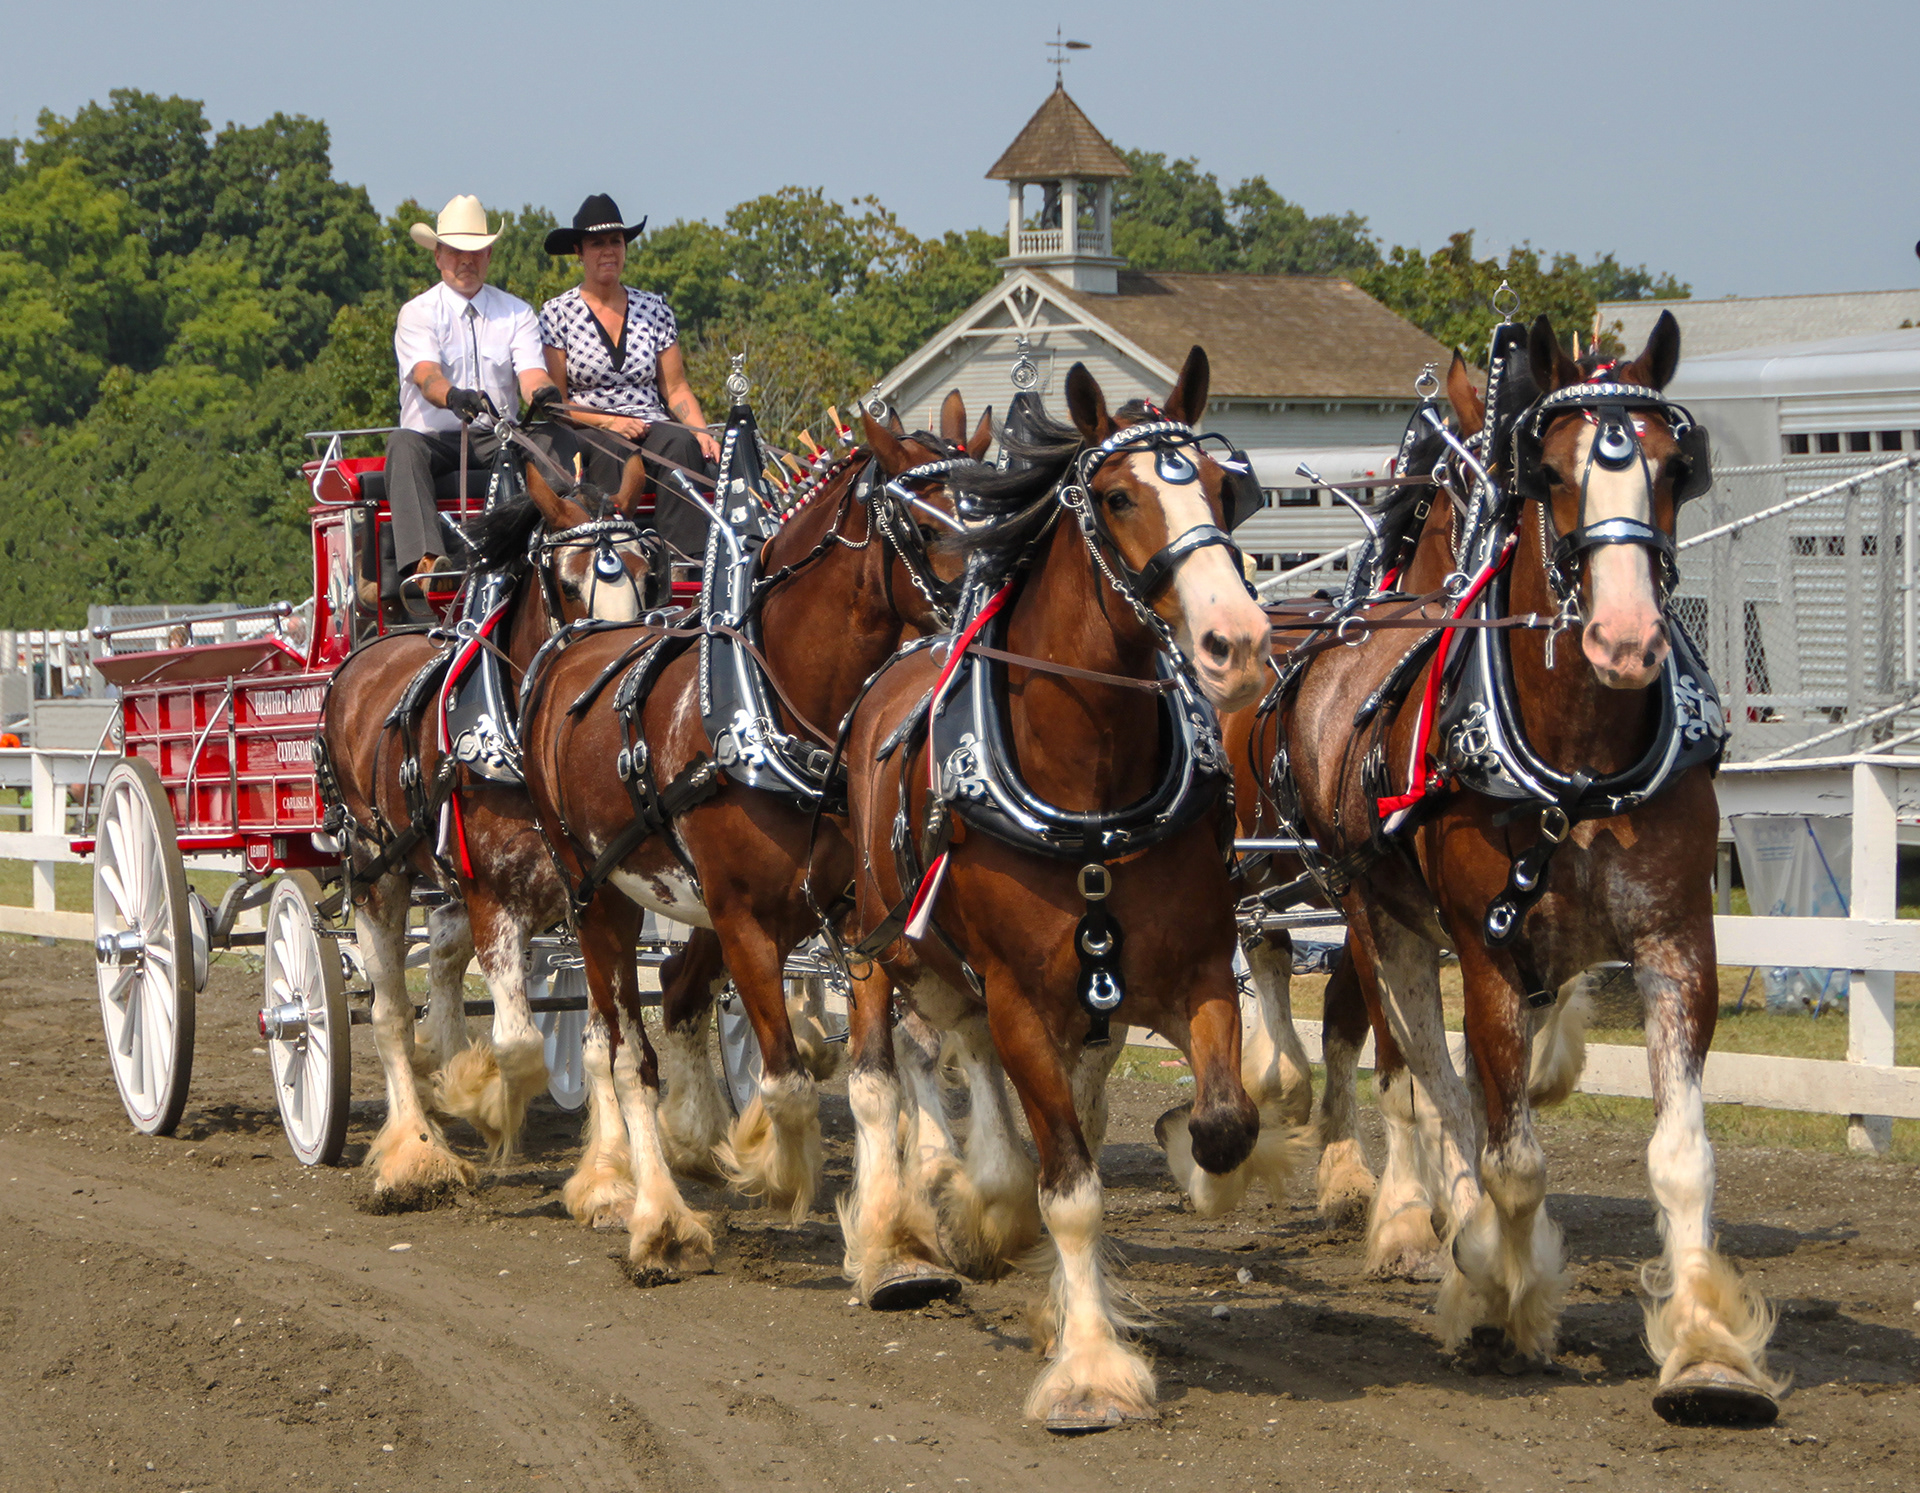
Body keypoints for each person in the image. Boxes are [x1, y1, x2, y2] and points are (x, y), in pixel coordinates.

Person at [381, 195, 568, 615]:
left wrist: (543, 393)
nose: (466, 260)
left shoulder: (516, 313)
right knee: (402, 445)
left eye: (475, 251)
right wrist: (452, 396)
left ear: (488, 255)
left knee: (555, 443)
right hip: (436, 441)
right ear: (438, 256)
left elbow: (530, 374)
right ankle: (428, 564)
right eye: (456, 251)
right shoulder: (417, 313)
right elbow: (426, 375)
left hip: (499, 436)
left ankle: (560, 545)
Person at [539, 194, 720, 560]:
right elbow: (555, 403)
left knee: (682, 445)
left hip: (650, 421)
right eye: (597, 243)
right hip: (590, 427)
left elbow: (676, 387)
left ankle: (684, 563)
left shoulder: (654, 308)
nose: (608, 251)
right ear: (579, 251)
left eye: (616, 242)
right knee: (615, 451)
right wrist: (610, 422)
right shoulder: (557, 313)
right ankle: (613, 558)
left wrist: (702, 432)